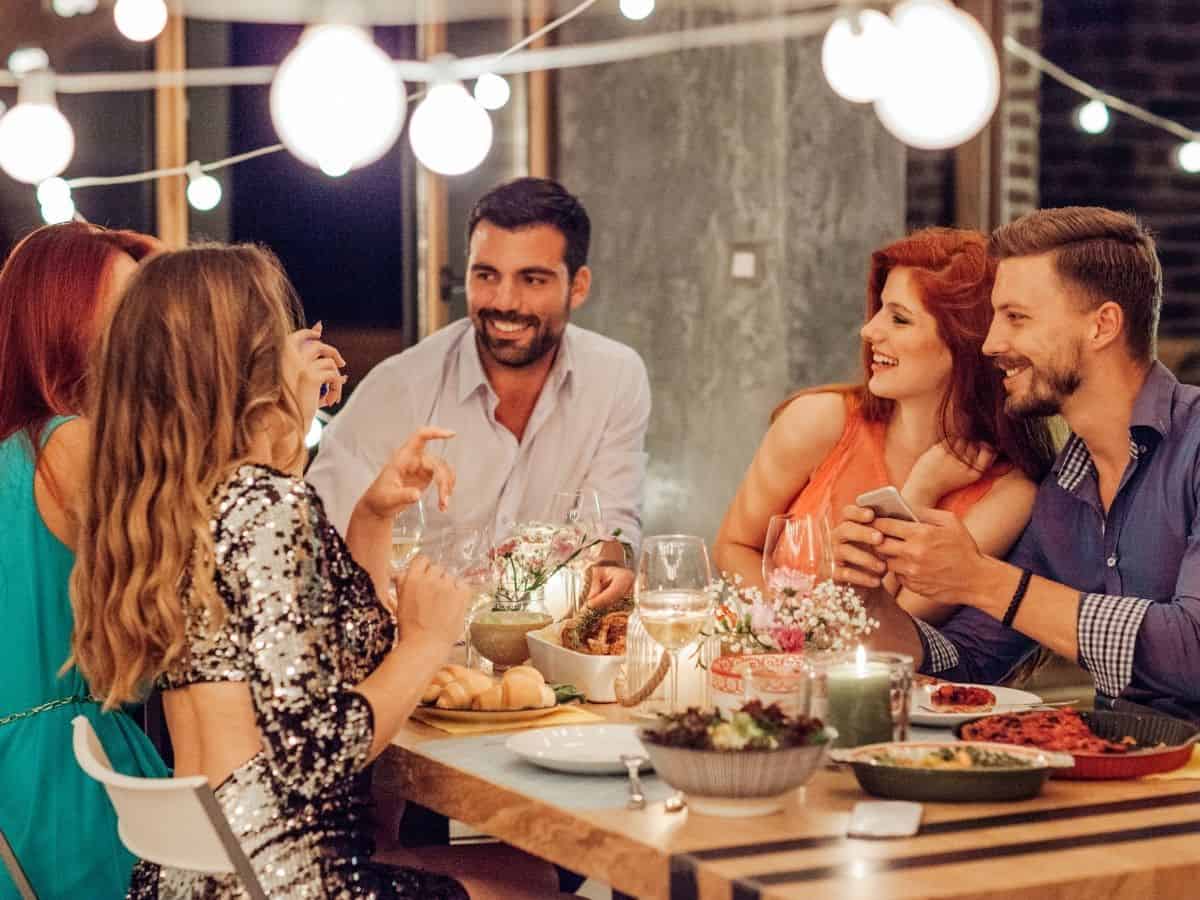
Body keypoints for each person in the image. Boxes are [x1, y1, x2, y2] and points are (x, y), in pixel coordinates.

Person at [69, 245, 562, 899]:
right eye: (279, 335)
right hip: (286, 882)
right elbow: (318, 752)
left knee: (520, 870)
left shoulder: (183, 506)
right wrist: (426, 642)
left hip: (200, 877)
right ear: (245, 364)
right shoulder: (265, 504)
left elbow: (333, 656)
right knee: (535, 881)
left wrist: (373, 513)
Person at [837, 207, 1200, 723]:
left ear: (1103, 325)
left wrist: (980, 579)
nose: (991, 344)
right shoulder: (1065, 490)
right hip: (1123, 770)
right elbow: (967, 663)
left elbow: (1193, 649)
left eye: (1016, 317)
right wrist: (868, 597)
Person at [307, 177, 649, 609]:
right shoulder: (398, 389)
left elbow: (613, 520)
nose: (505, 301)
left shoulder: (617, 377)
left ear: (578, 286)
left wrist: (611, 564)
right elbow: (316, 543)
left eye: (533, 279)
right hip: (410, 650)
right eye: (486, 275)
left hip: (547, 647)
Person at [714, 228, 1055, 624]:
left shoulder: (1008, 495)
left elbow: (893, 630)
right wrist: (786, 635)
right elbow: (733, 546)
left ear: (965, 342)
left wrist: (920, 492)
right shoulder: (818, 422)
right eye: (879, 310)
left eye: (899, 318)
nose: (870, 330)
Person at [0, 223, 168, 900]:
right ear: (65, 316)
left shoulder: (19, 450)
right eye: (129, 308)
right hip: (66, 776)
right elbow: (169, 616)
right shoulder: (71, 445)